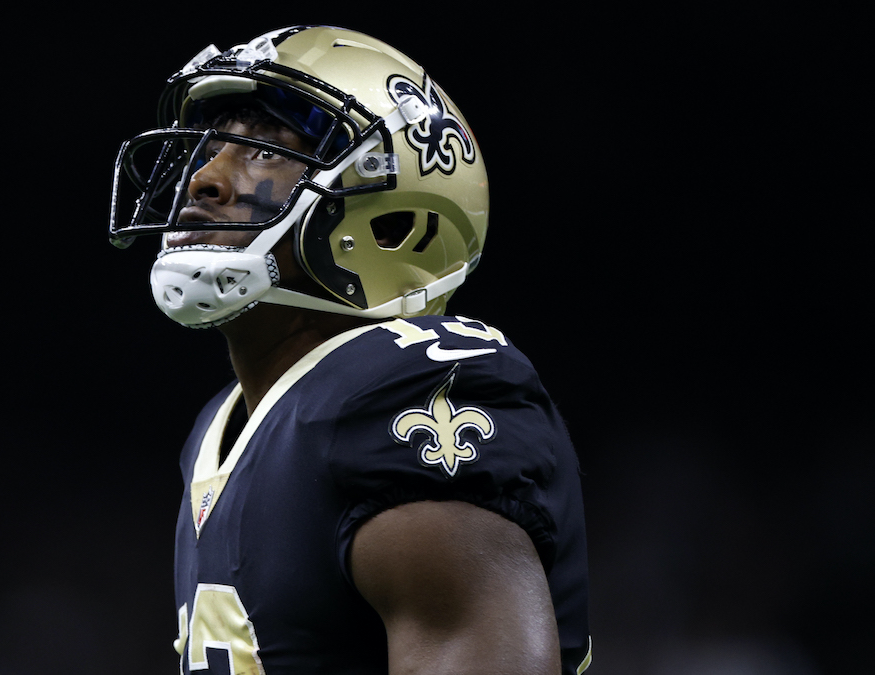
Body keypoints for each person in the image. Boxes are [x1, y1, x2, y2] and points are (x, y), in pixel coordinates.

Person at [109, 25, 591, 675]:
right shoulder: (222, 429)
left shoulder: (398, 391)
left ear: (389, 217)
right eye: (208, 148)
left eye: (261, 150)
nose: (205, 180)